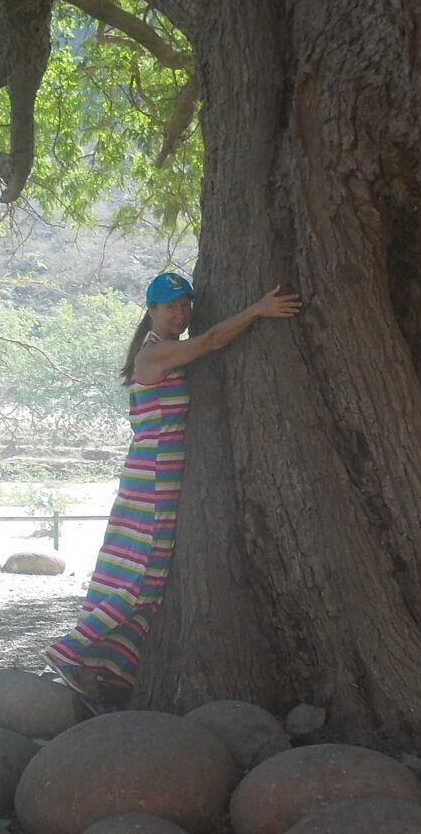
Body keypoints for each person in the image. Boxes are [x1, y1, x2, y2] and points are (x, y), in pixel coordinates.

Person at [44, 271, 302, 708]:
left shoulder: (164, 350)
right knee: (140, 574)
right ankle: (69, 650)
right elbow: (212, 340)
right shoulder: (155, 355)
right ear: (151, 311)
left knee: (152, 576)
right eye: (169, 307)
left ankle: (112, 669)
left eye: (185, 305)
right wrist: (259, 310)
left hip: (162, 476)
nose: (180, 314)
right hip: (152, 479)